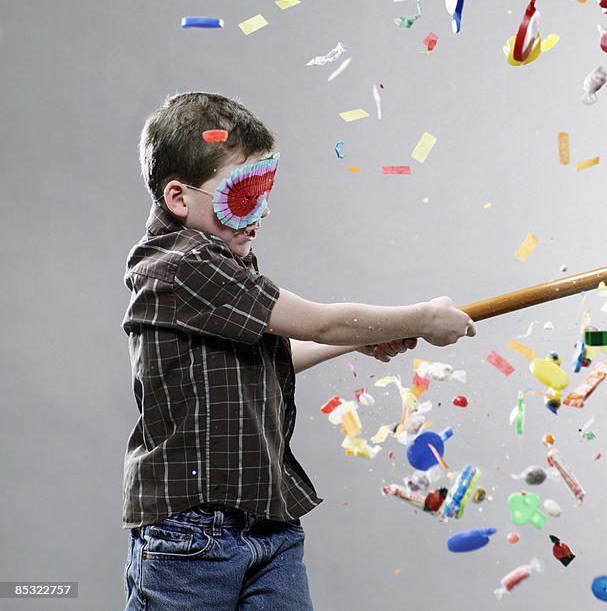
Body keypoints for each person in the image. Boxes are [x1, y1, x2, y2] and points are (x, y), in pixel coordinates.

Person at [122, 91, 476, 610]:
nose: (260, 212)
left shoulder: (222, 260)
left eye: (264, 192)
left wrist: (364, 338)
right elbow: (322, 321)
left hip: (267, 522)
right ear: (179, 198)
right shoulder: (182, 265)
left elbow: (275, 352)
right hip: (191, 534)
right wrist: (421, 318)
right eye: (242, 196)